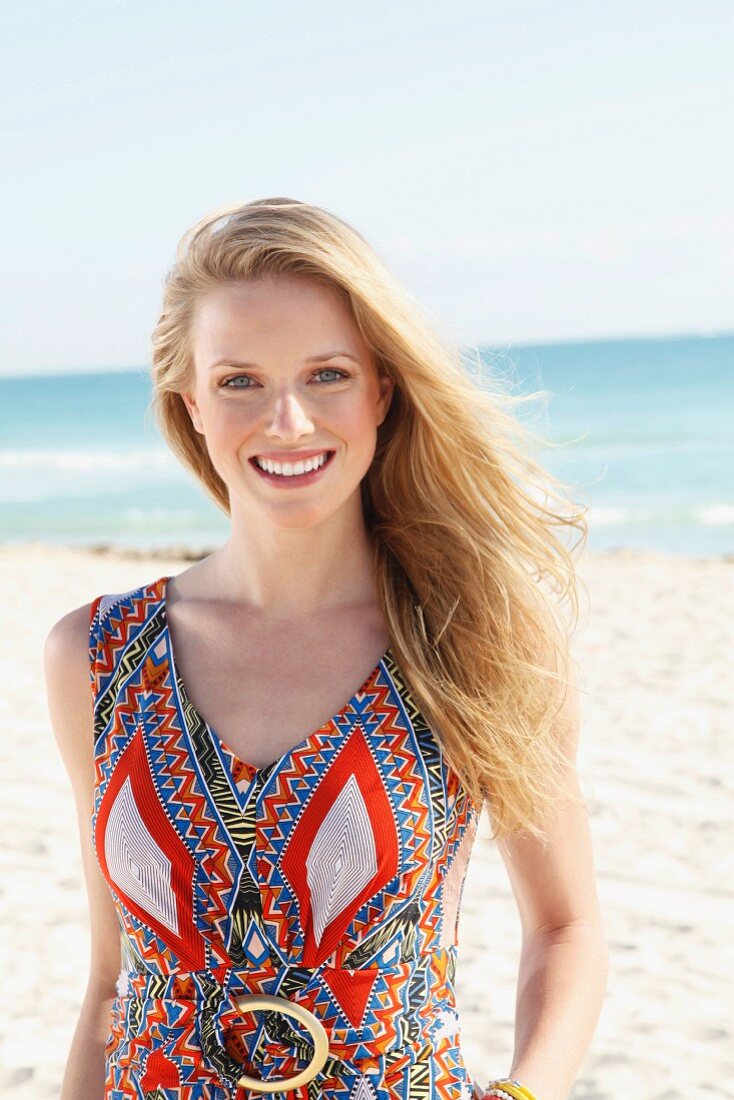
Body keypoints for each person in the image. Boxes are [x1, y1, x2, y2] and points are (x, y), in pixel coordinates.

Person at [44, 197, 609, 1100]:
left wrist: (523, 1093)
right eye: (240, 382)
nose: (290, 422)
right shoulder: (95, 655)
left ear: (382, 389)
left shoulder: (475, 636)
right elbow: (112, 979)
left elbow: (566, 927)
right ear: (190, 404)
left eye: (327, 375)